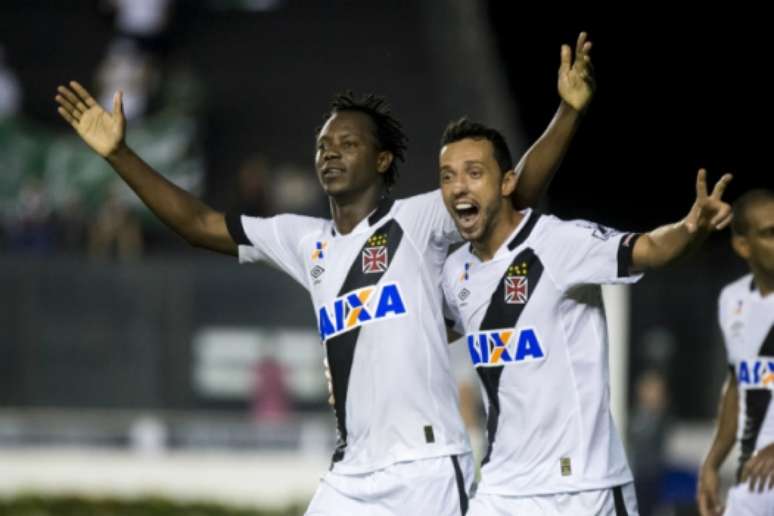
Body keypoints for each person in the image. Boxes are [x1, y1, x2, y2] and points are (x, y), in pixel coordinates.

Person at [54, 33, 595, 515]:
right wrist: (120, 154)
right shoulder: (304, 240)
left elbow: (513, 190)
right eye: (323, 145)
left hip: (426, 469)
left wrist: (567, 114)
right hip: (352, 474)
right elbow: (198, 224)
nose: (330, 152)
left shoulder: (420, 218)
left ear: (383, 161)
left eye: (347, 143)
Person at [439, 118, 732, 515]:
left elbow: (649, 249)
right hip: (502, 489)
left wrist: (690, 227)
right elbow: (424, 336)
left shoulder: (560, 243)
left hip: (582, 489)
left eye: (474, 173)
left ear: (508, 182)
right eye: (448, 176)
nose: (459, 186)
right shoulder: (456, 272)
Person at [698, 189, 774, 516]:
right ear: (743, 245)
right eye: (771, 233)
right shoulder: (733, 300)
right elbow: (737, 385)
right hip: (754, 480)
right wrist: (712, 463)